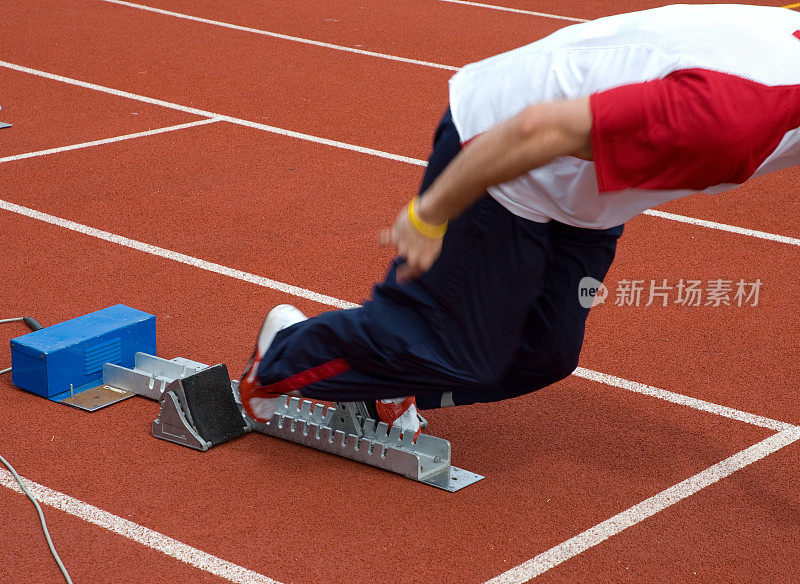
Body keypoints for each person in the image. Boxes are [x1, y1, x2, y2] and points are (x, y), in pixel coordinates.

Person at [239, 4, 800, 439]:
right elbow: (535, 130)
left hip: (588, 191)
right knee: (458, 351)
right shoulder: (732, 117)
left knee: (545, 354)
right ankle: (283, 354)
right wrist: (430, 213)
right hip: (501, 154)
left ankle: (388, 382)